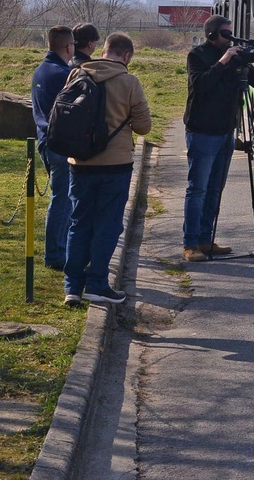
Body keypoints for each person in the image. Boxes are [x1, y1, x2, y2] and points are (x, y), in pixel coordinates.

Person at [63, 33, 152, 306]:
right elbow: (143, 127)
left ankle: (72, 287)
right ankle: (98, 283)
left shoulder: (76, 75)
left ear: (103, 51)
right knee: (108, 225)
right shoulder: (129, 82)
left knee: (79, 223)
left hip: (79, 164)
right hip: (115, 166)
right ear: (126, 56)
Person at [181, 15, 254, 263]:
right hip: (202, 132)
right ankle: (190, 243)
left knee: (214, 189)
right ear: (212, 34)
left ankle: (206, 240)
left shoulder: (235, 57)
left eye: (231, 33)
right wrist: (224, 60)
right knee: (197, 189)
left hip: (226, 132)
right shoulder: (197, 55)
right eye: (225, 34)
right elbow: (200, 85)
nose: (229, 38)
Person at [31, 25, 75, 271]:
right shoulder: (62, 74)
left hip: (45, 140)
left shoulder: (40, 70)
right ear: (69, 47)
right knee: (62, 200)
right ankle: (56, 254)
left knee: (61, 198)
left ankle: (61, 249)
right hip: (60, 143)